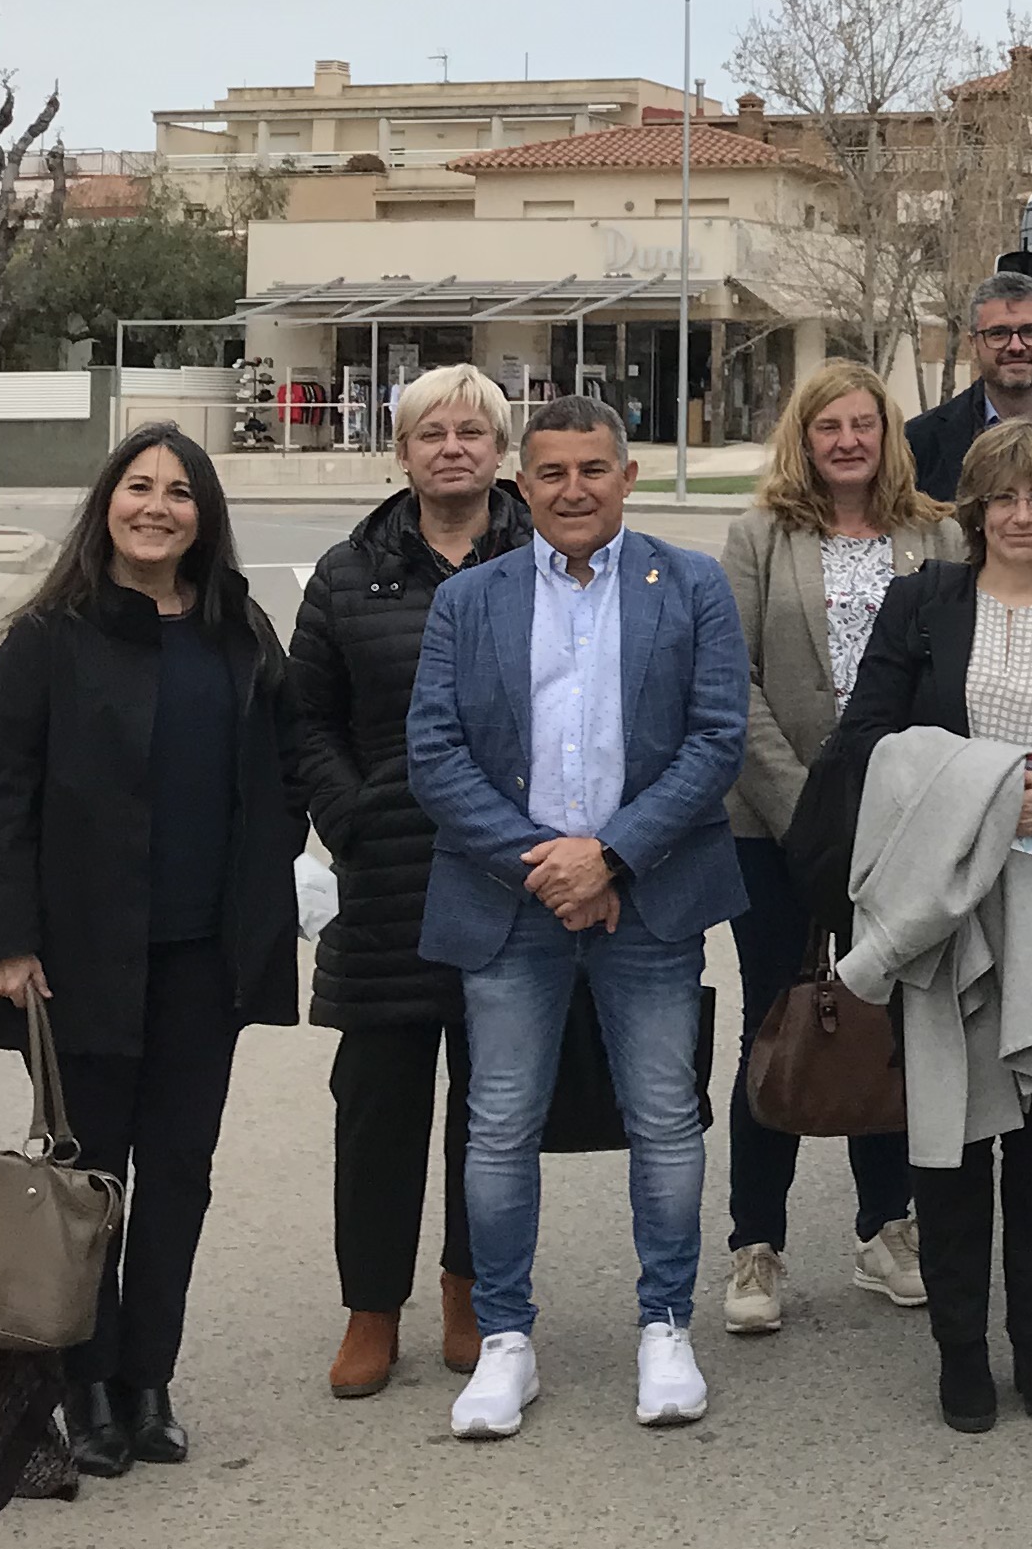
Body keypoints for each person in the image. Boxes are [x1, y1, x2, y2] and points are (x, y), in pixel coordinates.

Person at [801, 420, 1032, 1431]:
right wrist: (977, 794)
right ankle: (961, 1348)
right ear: (973, 510)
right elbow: (868, 734)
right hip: (942, 912)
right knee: (952, 1148)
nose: (1021, 515)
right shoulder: (925, 604)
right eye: (1003, 498)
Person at [0, 425, 300, 1479]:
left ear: (205, 515)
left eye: (181, 492)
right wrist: (4, 941)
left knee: (182, 1173)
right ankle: (84, 1382)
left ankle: (151, 1381)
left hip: (206, 955)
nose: (159, 507)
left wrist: (276, 866)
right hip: (79, 963)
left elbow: (282, 773)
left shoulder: (240, 630)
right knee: (86, 1179)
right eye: (140, 487)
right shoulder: (47, 640)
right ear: (108, 502)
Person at [406, 395, 750, 1442]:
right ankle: (506, 1339)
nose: (572, 490)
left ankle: (665, 1327)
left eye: (592, 469)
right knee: (500, 1126)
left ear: (628, 475)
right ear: (522, 483)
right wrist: (542, 864)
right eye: (551, 473)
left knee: (663, 1118)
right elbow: (433, 752)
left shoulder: (690, 586)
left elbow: (716, 740)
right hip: (511, 907)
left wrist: (610, 856)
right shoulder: (473, 600)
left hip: (647, 899)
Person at [284, 363, 523, 1402]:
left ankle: (473, 1290)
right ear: (402, 453)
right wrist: (350, 817)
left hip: (511, 875)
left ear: (501, 451)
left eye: (473, 431)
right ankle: (370, 1307)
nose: (453, 448)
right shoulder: (349, 575)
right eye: (432, 433)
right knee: (376, 1107)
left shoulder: (549, 557)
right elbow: (306, 720)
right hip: (387, 880)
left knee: (495, 1103)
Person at [715, 361, 951, 1335]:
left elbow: (953, 670)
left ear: (886, 434)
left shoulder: (935, 532)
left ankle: (883, 1226)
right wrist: (809, 807)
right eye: (829, 428)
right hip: (778, 825)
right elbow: (731, 681)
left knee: (884, 1025)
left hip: (901, 821)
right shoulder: (761, 535)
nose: (848, 441)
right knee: (776, 1020)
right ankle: (755, 1246)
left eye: (864, 425)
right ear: (803, 440)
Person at [906, 272, 1032, 499]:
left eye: (1030, 331)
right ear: (973, 344)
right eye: (998, 333)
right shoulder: (918, 444)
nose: (1016, 346)